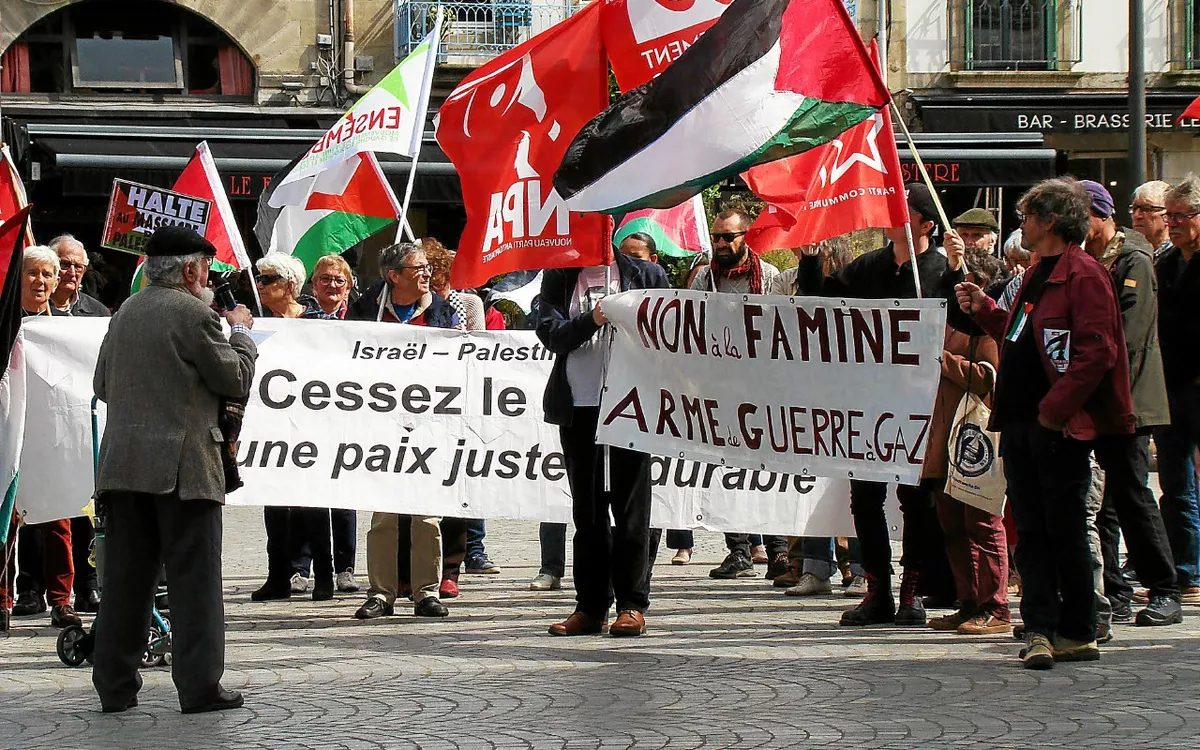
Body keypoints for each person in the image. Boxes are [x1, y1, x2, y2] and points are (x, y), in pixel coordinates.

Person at [955, 177, 1135, 669]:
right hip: (1019, 421)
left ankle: (1076, 629)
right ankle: (1038, 626)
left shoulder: (1084, 275)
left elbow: (1097, 352)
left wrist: (1053, 413)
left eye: (1029, 216)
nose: (1022, 225)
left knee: (1065, 529)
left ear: (1050, 220)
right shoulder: (1037, 274)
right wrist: (988, 311)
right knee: (1031, 531)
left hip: (1055, 426)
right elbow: (1020, 333)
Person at [91, 226, 256, 713]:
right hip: (184, 469)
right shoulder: (193, 313)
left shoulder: (124, 313)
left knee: (124, 582)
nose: (209, 278)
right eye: (206, 268)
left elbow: (102, 384)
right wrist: (242, 333)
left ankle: (115, 686)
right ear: (189, 270)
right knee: (195, 580)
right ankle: (200, 686)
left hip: (123, 468)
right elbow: (235, 377)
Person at [801, 183, 965, 627]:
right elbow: (819, 305)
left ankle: (912, 591)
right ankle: (878, 590)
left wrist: (956, 269)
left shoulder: (939, 268)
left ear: (926, 223)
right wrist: (811, 259)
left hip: (919, 400)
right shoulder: (868, 267)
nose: (890, 214)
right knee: (866, 498)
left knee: (917, 499)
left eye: (903, 209)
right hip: (870, 400)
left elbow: (964, 317)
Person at [536, 235, 669, 638]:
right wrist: (592, 318)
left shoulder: (645, 274)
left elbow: (667, 334)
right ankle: (590, 607)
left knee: (631, 511)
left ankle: (632, 605)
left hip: (632, 405)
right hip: (579, 405)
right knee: (588, 513)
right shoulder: (560, 275)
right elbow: (551, 334)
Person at [1078, 180, 1182, 628]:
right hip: (1101, 399)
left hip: (1130, 399)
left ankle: (1165, 588)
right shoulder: (1092, 259)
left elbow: (1129, 334)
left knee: (1133, 494)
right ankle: (1116, 590)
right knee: (1106, 502)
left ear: (1099, 217)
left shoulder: (1131, 259)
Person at [349, 241, 458, 620]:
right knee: (385, 515)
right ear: (393, 276)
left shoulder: (443, 312)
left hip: (429, 424)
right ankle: (382, 593)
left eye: (428, 267)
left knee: (427, 515)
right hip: (382, 425)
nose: (427, 274)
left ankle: (426, 591)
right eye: (418, 269)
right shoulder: (366, 309)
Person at [692, 210, 788, 581]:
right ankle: (739, 549)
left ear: (746, 237)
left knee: (770, 469)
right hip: (721, 386)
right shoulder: (705, 278)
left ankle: (779, 551)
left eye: (729, 237)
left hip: (764, 386)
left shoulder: (769, 278)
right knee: (727, 469)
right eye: (717, 237)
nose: (721, 244)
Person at [926, 262, 1011, 636]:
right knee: (952, 525)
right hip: (943, 441)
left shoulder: (990, 331)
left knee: (982, 523)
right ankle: (968, 601)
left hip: (976, 443)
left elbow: (986, 380)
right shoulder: (942, 327)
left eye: (968, 287)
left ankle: (996, 605)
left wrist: (941, 360)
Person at [2, 246, 83, 631]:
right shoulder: (5, 321)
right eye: (32, 273)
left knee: (58, 518)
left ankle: (62, 601)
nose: (41, 281)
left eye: (47, 275)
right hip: (8, 429)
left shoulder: (63, 328)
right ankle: (2, 601)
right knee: (6, 518)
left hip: (50, 432)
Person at [247, 253, 336, 602]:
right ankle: (277, 576)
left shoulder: (316, 322)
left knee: (314, 502)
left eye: (268, 279)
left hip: (311, 422)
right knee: (274, 503)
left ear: (290, 286)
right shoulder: (255, 323)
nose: (260, 286)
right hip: (271, 424)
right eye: (259, 279)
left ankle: (325, 576)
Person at [425, 238, 498, 581]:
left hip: (462, 399)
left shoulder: (466, 302)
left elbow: (480, 347)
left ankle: (473, 549)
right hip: (425, 404)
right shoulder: (417, 306)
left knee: (466, 475)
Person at [45, 234, 107, 610]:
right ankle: (35, 589)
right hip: (44, 420)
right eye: (63, 264)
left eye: (77, 267)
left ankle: (88, 585)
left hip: (83, 422)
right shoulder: (31, 310)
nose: (70, 272)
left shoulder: (97, 313)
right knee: (47, 508)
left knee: (86, 508)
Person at [1154, 175, 1200, 606]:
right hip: (1171, 385)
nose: (1174, 224)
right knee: (1174, 483)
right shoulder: (1165, 264)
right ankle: (1186, 572)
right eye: (1169, 217)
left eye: (1182, 216)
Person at [1129, 180, 1171, 257]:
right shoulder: (1128, 254)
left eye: (1147, 209)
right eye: (1134, 208)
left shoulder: (1180, 256)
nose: (1137, 215)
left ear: (1167, 215)